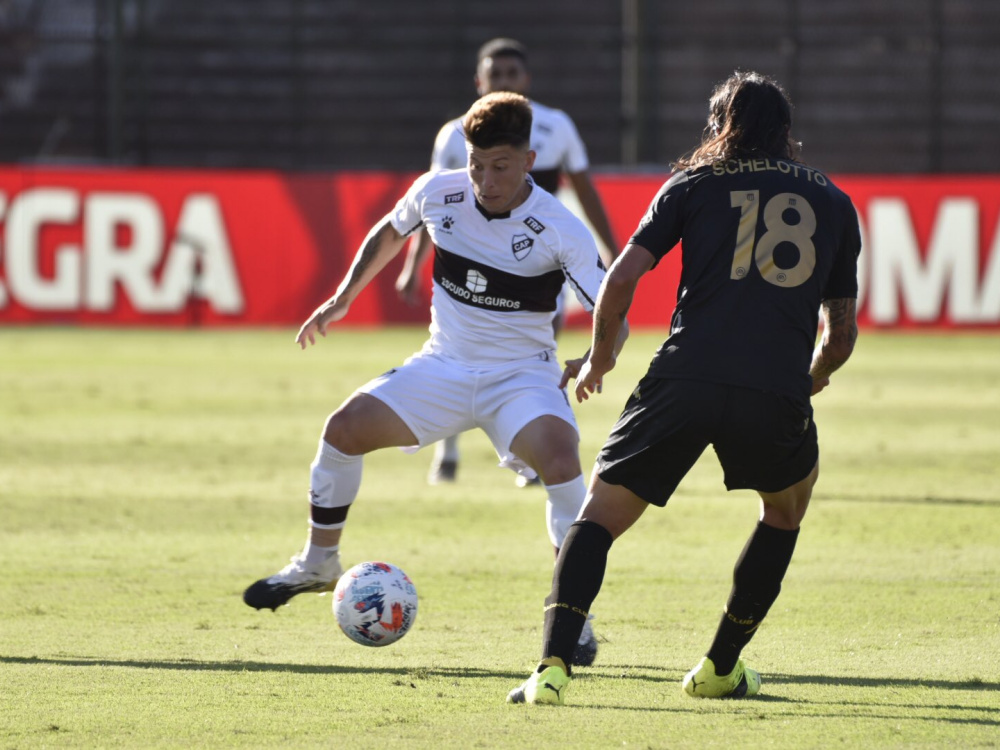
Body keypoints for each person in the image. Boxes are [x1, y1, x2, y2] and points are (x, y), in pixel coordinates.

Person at [507, 71, 861, 705]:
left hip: (683, 375)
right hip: (772, 388)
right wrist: (806, 381)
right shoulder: (834, 202)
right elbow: (838, 337)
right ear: (785, 132)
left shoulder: (693, 184)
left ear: (721, 126)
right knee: (785, 510)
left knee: (597, 518)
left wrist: (601, 357)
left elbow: (621, 277)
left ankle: (552, 668)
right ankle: (720, 666)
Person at [243, 91, 628, 668]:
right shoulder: (439, 190)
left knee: (561, 456)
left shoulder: (558, 227)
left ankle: (572, 617)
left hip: (519, 378)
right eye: (476, 164)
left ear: (528, 160)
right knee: (343, 428)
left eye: (500, 166)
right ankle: (319, 562)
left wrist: (598, 359)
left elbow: (611, 311)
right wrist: (343, 297)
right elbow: (390, 230)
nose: (485, 180)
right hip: (442, 366)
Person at [395, 37, 618, 487]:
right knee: (454, 341)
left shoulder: (555, 126)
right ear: (479, 80)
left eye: (511, 75)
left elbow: (584, 187)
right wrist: (411, 265)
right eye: (494, 75)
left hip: (535, 257)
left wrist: (610, 247)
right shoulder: (454, 135)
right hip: (464, 256)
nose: (502, 81)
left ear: (526, 81)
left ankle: (534, 448)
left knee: (539, 344)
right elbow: (428, 207)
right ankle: (449, 447)